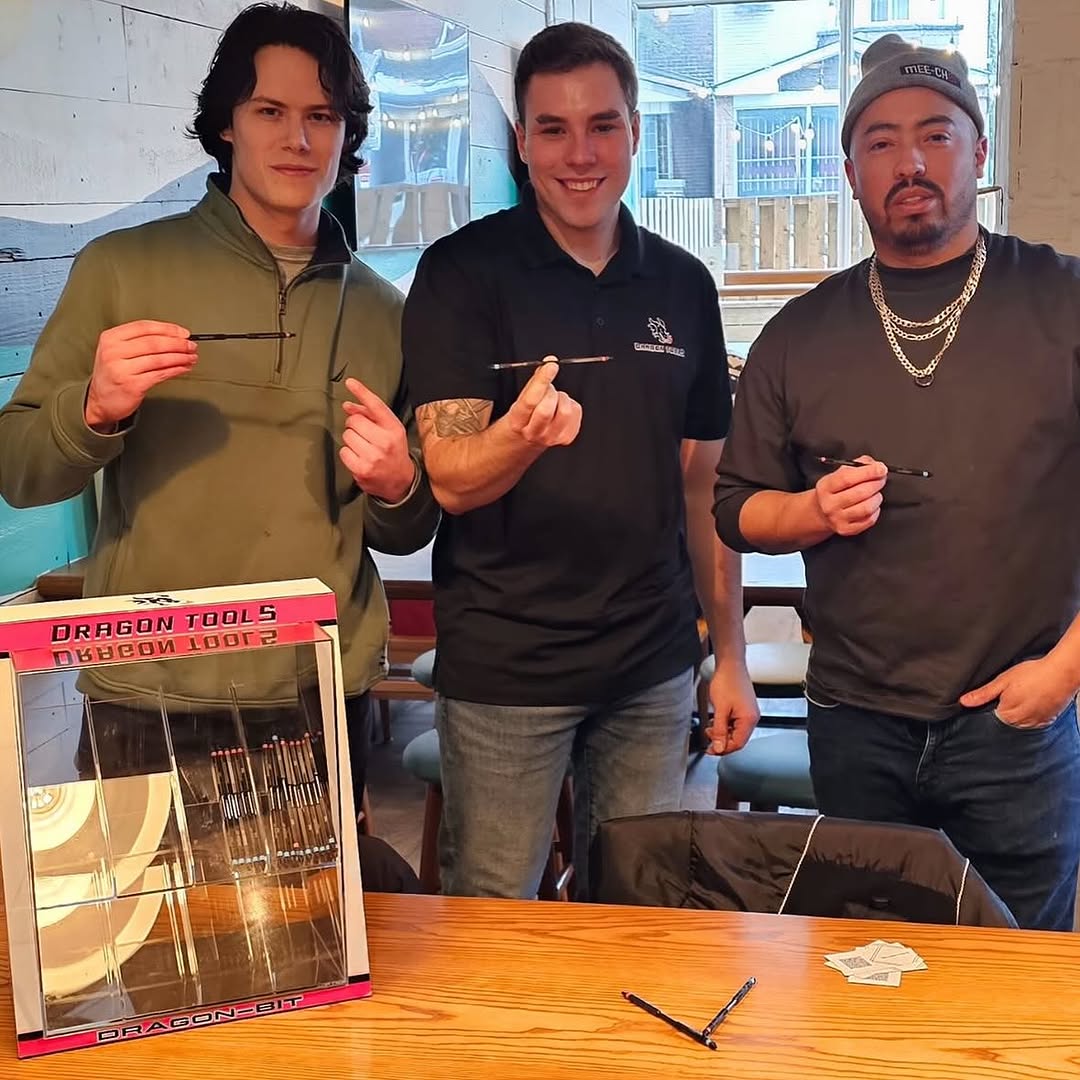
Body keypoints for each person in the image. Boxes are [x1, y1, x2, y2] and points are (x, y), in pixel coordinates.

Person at [0, 2, 439, 812]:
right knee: (147, 900)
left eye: (322, 116)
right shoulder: (121, 269)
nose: (297, 139)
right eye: (269, 111)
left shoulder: (384, 311)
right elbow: (20, 471)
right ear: (227, 124)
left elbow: (405, 530)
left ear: (348, 134)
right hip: (146, 690)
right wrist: (91, 410)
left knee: (316, 901)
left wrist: (398, 486)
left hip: (315, 687)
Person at [713, 34, 1080, 931]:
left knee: (1020, 974)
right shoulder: (799, 334)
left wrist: (1064, 674)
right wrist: (809, 511)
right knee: (868, 966)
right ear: (850, 173)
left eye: (936, 135)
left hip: (1018, 722)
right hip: (855, 723)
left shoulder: (1062, 301)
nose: (909, 162)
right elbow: (735, 508)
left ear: (979, 152)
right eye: (880, 142)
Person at [402, 22, 757, 899]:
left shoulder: (682, 283)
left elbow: (703, 485)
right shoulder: (461, 273)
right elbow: (450, 479)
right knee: (494, 921)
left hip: (653, 665)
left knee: (638, 910)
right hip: (506, 671)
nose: (581, 154)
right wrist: (519, 438)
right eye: (553, 129)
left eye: (603, 125)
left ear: (635, 130)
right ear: (522, 143)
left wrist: (732, 655)